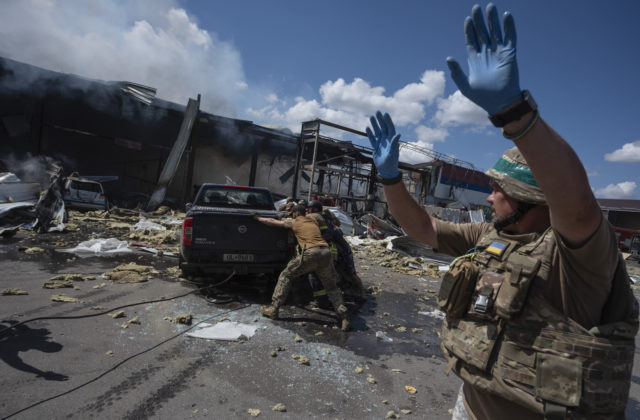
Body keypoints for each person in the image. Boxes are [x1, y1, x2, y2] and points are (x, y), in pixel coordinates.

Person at [365, 4, 637, 419]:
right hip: (470, 407)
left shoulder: (577, 260)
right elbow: (420, 227)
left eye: (498, 191)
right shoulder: (492, 238)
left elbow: (579, 210)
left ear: (534, 201)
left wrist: (515, 114)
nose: (489, 199)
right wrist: (390, 180)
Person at [255, 204, 351, 331]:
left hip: (311, 253)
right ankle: (344, 317)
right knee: (331, 286)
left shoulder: (294, 223)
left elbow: (271, 222)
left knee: (286, 275)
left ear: (295, 213)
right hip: (326, 253)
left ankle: (273, 308)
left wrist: (257, 218)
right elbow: (325, 215)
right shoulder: (313, 218)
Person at [307, 200, 367, 305]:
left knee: (351, 273)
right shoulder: (320, 220)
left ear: (315, 209)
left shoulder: (324, 222)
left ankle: (363, 295)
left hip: (344, 252)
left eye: (309, 209)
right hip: (335, 253)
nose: (308, 210)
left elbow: (327, 236)